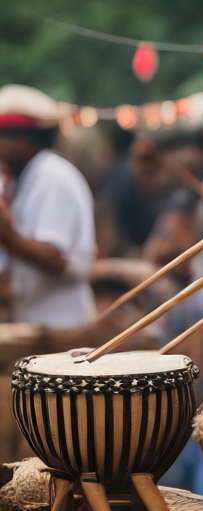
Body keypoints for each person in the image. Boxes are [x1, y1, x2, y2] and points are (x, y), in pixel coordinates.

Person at [0, 85, 96, 329]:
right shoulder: (22, 179)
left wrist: (8, 237)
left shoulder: (52, 177)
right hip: (36, 325)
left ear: (22, 139)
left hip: (62, 328)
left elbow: (55, 259)